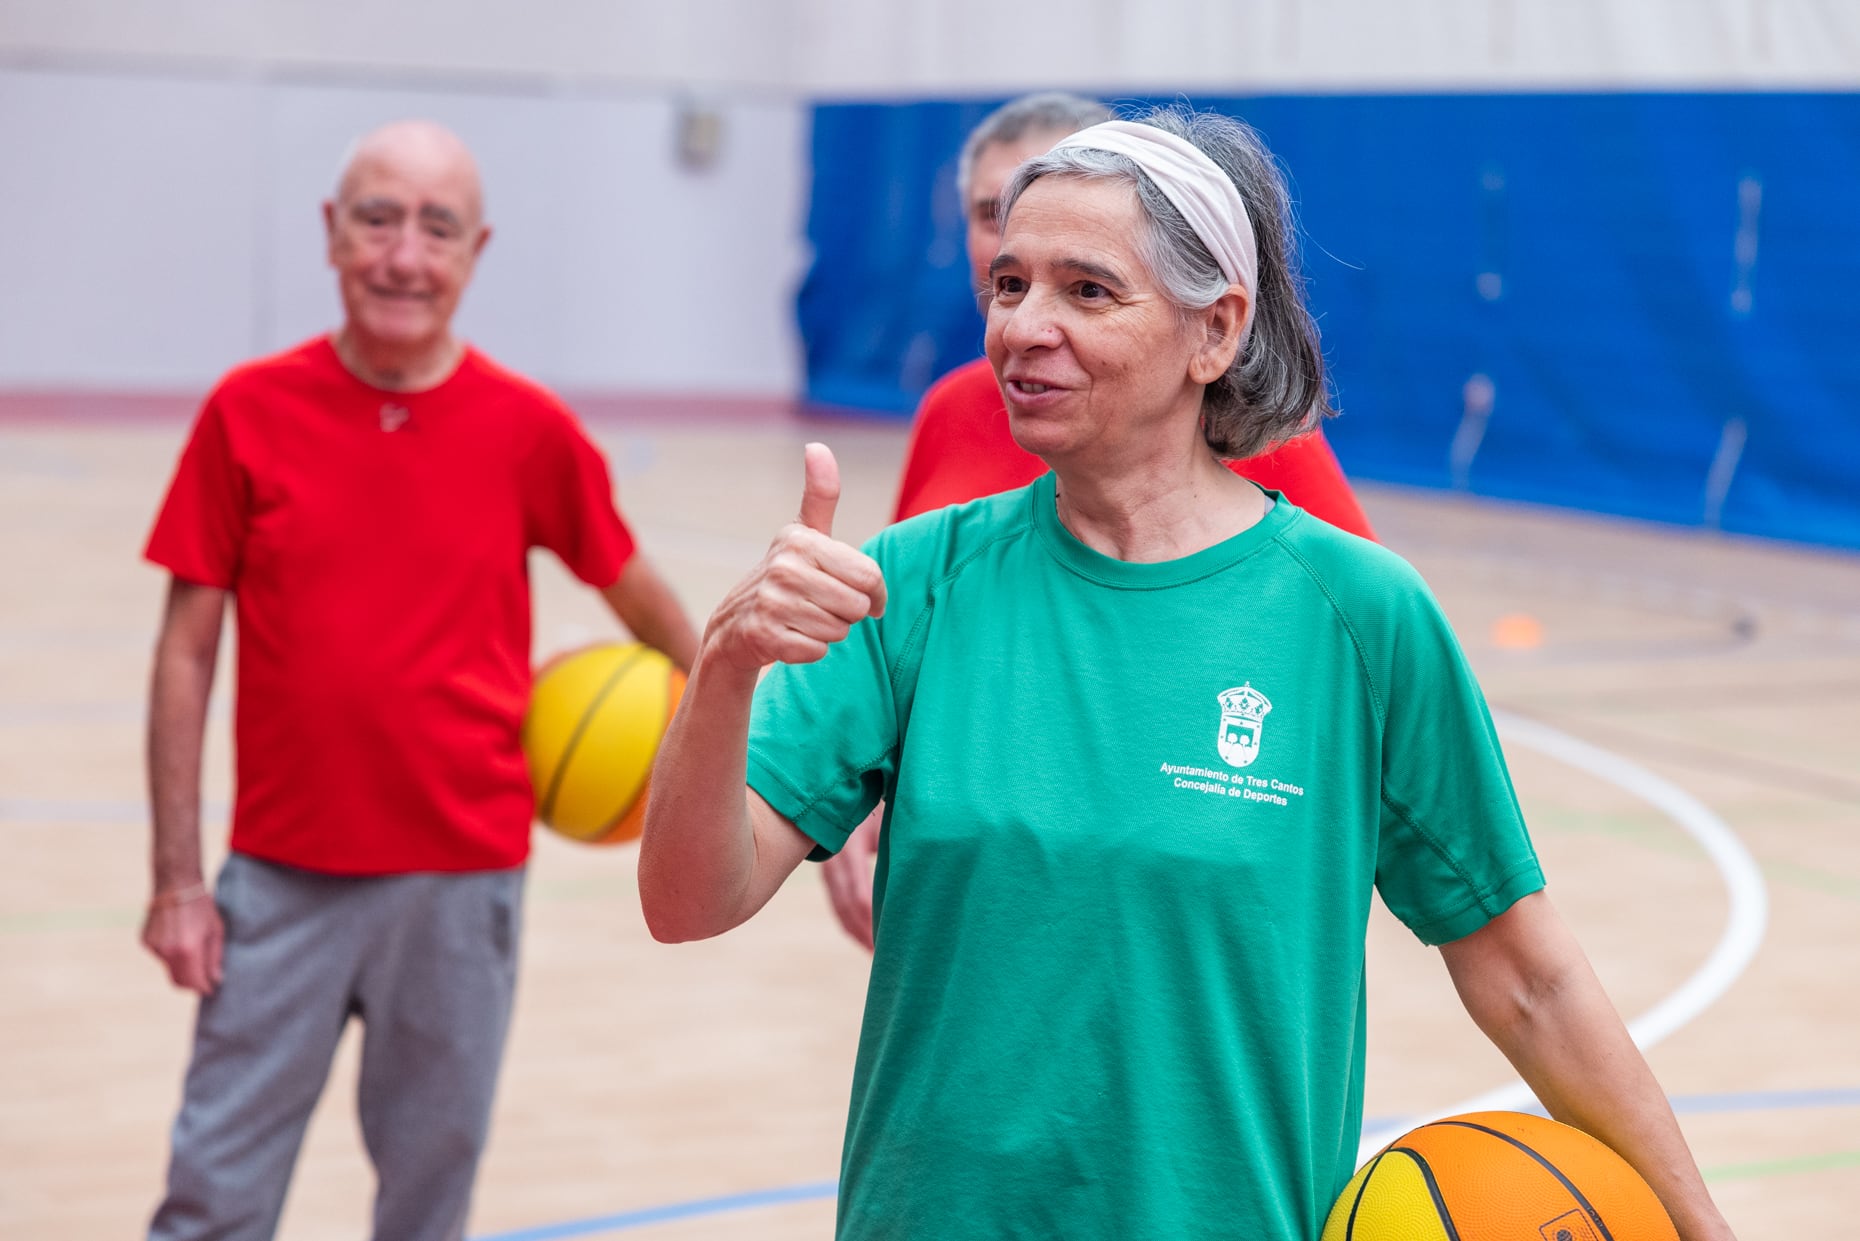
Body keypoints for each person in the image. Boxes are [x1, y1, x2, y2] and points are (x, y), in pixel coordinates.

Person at [638, 106, 1734, 1240]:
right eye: (1009, 284)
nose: (1023, 326)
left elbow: (1530, 979)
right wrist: (728, 667)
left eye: (1087, 290)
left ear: (1216, 333)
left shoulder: (1360, 616)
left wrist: (1701, 1225)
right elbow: (686, 900)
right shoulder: (910, 584)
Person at [139, 119, 698, 1241]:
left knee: (427, 1204)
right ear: (332, 234)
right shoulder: (248, 411)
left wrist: (730, 721)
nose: (404, 254)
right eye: (378, 218)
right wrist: (178, 881)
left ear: (474, 249)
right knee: (213, 1198)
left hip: (461, 884)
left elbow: (647, 605)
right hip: (279, 882)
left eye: (436, 226)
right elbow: (186, 653)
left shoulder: (528, 428)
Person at [822, 92, 1377, 949]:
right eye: (989, 215)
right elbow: (909, 671)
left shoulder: (1241, 435)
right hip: (982, 888)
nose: (1013, 229)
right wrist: (863, 799)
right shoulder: (951, 421)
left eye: (1085, 277)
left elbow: (1348, 658)